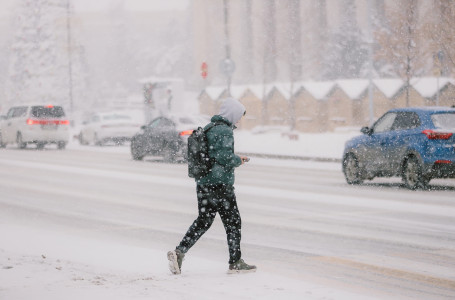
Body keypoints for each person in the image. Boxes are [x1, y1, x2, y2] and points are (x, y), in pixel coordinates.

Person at [167, 97, 256, 274]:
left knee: (204, 221)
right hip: (220, 183)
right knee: (233, 222)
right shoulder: (224, 131)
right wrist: (239, 159)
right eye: (238, 116)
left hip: (204, 183)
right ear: (231, 114)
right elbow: (224, 158)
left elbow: (214, 155)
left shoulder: (210, 128)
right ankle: (235, 262)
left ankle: (179, 252)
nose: (238, 120)